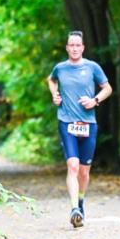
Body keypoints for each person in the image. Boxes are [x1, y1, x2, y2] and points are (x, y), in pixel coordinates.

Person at [47, 31, 113, 228]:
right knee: (73, 166)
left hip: (88, 124)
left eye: (78, 45)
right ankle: (74, 208)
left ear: (82, 48)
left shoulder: (92, 67)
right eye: (71, 45)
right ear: (67, 48)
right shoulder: (60, 68)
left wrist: (95, 101)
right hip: (66, 122)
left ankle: (81, 201)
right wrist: (54, 94)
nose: (74, 48)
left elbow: (107, 88)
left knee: (84, 172)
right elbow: (51, 80)